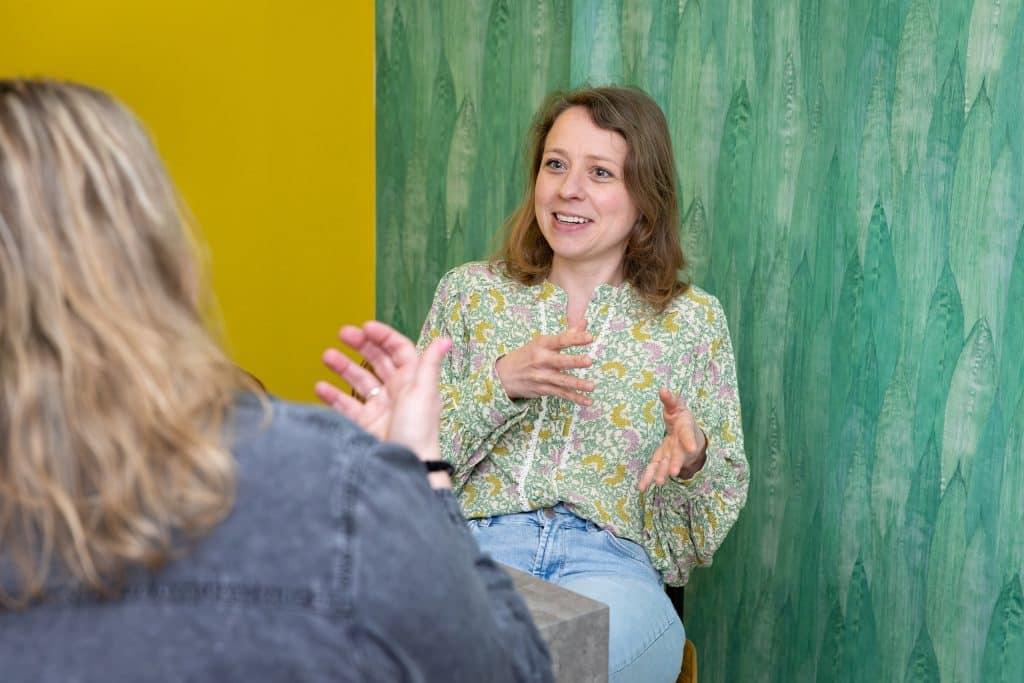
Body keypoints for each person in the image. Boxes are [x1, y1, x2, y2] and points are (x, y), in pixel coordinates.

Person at [0, 79, 552, 683]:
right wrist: (419, 471)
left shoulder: (676, 318)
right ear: (161, 252)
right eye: (555, 165)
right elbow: (508, 669)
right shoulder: (343, 480)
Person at [321, 86, 749, 681]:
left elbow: (696, 540)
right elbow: (407, 478)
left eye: (600, 172)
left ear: (644, 198)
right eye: (556, 164)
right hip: (475, 556)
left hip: (616, 568)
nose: (569, 188)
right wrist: (500, 385)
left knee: (548, 664)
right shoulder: (470, 294)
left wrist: (694, 461)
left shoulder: (692, 321)